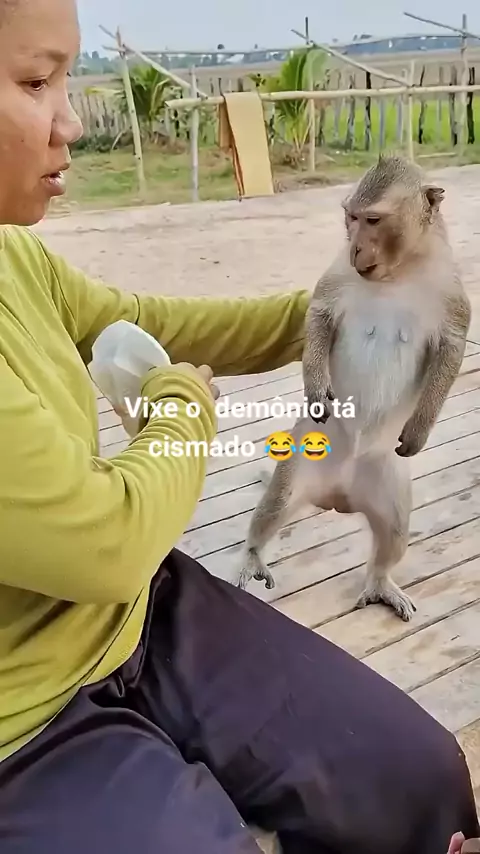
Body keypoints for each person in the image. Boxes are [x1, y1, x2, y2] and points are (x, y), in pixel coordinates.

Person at [0, 2, 478, 852]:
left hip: (138, 615)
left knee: (422, 782)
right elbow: (107, 542)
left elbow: (151, 318)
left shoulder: (15, 255)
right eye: (37, 82)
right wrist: (183, 402)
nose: (72, 119)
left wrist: (350, 311)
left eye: (69, 78)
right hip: (23, 722)